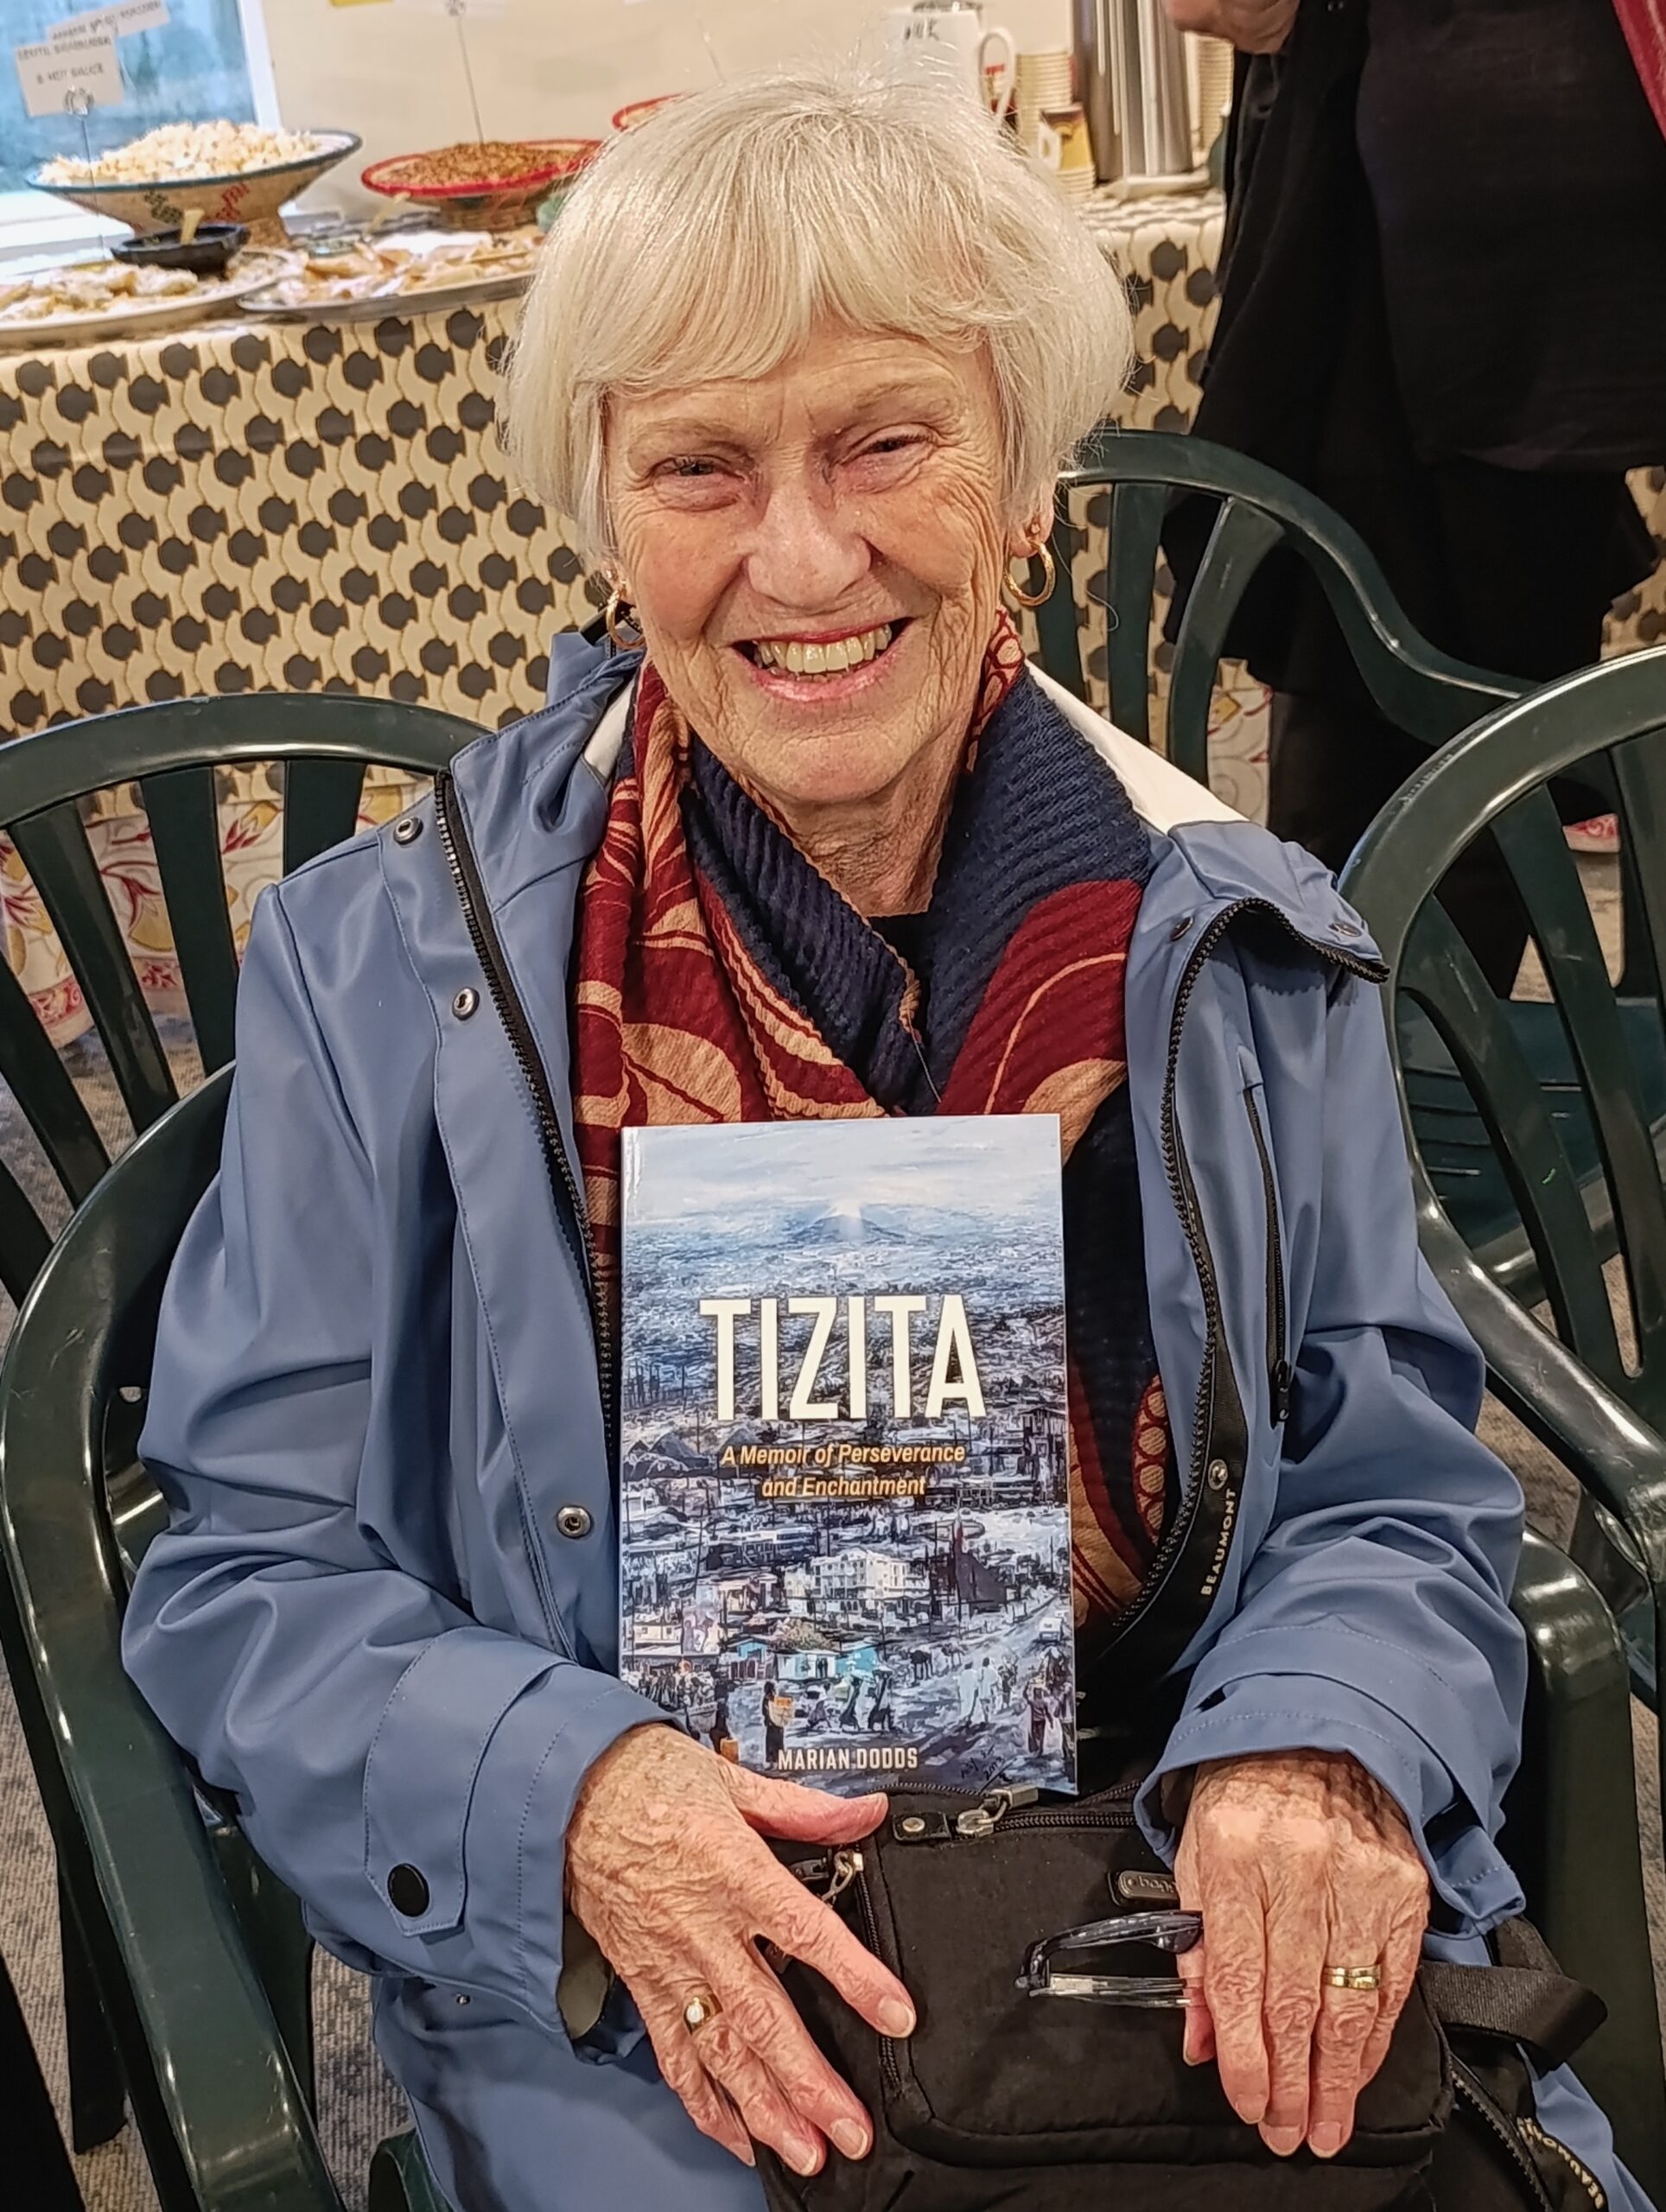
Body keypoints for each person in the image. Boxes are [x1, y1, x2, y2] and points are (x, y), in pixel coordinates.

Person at [120, 67, 1646, 2212]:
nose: (804, 555)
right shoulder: (384, 970)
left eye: (886, 443)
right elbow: (244, 1574)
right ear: (603, 508)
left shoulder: (1238, 943)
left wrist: (1315, 1734)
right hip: (675, 1960)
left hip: (1150, 1880)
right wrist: (573, 1794)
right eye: (701, 465)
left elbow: (1388, 1476)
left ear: (1022, 478)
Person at [1165, 0, 1666, 990]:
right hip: (1537, 235)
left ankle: (1362, 1051)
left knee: (1392, 713)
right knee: (1499, 714)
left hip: (1411, 238)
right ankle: (1442, 1049)